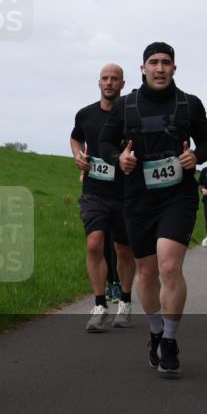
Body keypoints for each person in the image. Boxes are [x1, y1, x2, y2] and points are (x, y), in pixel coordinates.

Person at [100, 42, 207, 377]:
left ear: (174, 68)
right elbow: (105, 143)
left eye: (166, 62)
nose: (160, 68)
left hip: (178, 197)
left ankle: (169, 340)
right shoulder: (125, 106)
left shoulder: (189, 104)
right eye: (154, 62)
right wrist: (119, 158)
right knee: (148, 273)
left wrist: (196, 156)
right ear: (143, 68)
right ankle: (154, 332)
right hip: (138, 198)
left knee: (169, 266)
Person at [70, 64, 136, 331]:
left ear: (122, 84)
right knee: (94, 244)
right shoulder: (85, 114)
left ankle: (125, 301)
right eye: (105, 78)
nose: (109, 82)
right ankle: (100, 305)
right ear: (99, 83)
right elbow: (76, 138)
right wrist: (78, 156)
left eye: (114, 79)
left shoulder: (131, 117)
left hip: (125, 192)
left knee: (123, 249)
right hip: (94, 191)